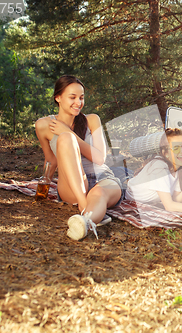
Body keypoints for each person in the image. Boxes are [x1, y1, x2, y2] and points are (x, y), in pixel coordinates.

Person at [35, 75, 123, 241]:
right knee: (65, 139)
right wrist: (44, 185)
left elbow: (99, 158)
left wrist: (68, 132)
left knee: (100, 192)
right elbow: (51, 160)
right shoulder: (44, 125)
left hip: (102, 178)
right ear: (58, 97)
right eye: (72, 97)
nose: (78, 102)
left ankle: (84, 222)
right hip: (72, 185)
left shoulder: (92, 120)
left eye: (81, 97)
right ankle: (84, 206)